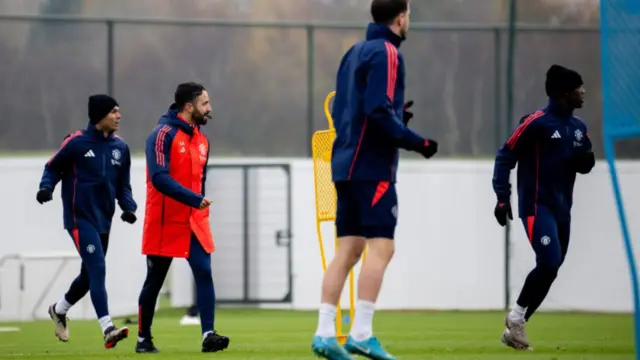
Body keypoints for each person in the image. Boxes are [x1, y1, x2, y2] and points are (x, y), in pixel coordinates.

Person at [311, 1, 438, 359]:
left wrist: (397, 115)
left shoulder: (353, 52)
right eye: (409, 14)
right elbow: (378, 111)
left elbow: (345, 108)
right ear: (400, 18)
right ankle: (362, 332)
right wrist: (417, 141)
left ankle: (324, 334)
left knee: (348, 250)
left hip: (344, 164)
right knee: (383, 247)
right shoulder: (388, 52)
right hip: (373, 167)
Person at [492, 64, 595, 350]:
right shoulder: (535, 123)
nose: (583, 92)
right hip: (536, 206)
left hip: (564, 210)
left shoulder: (579, 127)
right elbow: (505, 156)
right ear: (564, 92)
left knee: (552, 267)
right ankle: (516, 320)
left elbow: (583, 160)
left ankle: (516, 324)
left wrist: (586, 162)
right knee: (549, 260)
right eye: (579, 88)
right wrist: (502, 197)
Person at [135, 82, 229, 354]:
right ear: (189, 107)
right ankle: (144, 339)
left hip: (193, 220)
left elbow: (200, 180)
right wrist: (194, 199)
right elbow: (159, 178)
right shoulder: (161, 135)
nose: (209, 109)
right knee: (154, 280)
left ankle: (208, 335)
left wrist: (198, 203)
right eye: (205, 104)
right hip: (165, 220)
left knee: (204, 271)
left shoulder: (202, 140)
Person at [38, 94, 137, 349]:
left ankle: (58, 310)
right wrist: (46, 188)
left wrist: (128, 207)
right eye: (114, 111)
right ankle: (107, 328)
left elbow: (123, 185)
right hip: (79, 218)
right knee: (98, 268)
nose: (119, 116)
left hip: (104, 220)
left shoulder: (120, 148)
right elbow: (52, 167)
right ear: (99, 116)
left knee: (88, 275)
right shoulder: (76, 143)